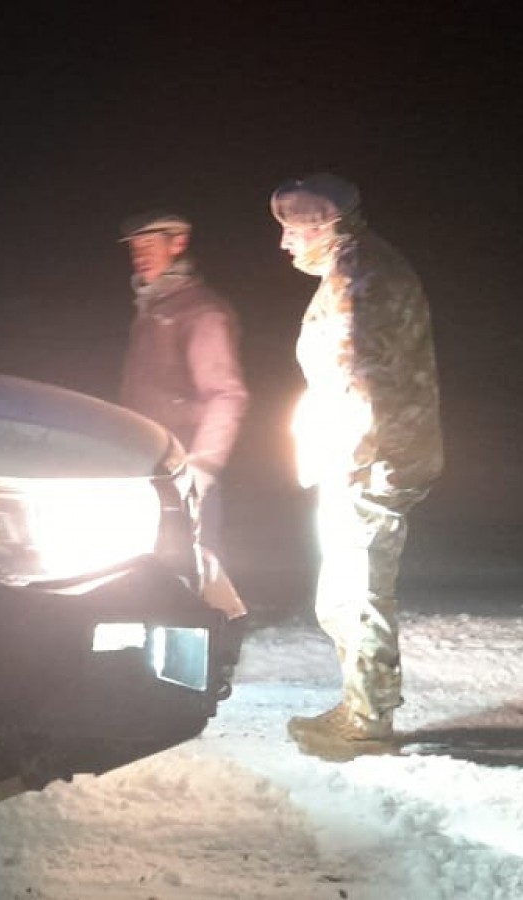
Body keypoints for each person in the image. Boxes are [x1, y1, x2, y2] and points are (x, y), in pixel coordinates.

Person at [273, 174, 444, 758]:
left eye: (293, 231)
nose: (285, 244)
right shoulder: (366, 267)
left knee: (356, 591)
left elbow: (360, 382)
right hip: (379, 453)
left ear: (325, 226)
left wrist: (345, 462)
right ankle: (362, 706)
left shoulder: (359, 279)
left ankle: (368, 723)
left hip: (370, 461)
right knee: (350, 590)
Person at [117, 211, 248, 556]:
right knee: (149, 559)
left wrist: (203, 464)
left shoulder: (201, 312)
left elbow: (226, 395)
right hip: (145, 457)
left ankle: (213, 609)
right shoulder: (154, 306)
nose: (139, 255)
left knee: (193, 560)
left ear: (178, 243)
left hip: (183, 460)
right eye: (134, 247)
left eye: (149, 244)